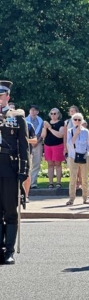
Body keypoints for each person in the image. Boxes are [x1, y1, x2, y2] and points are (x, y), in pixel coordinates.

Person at [0, 81, 30, 265]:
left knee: (10, 211)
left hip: (9, 168)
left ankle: (9, 250)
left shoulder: (17, 116)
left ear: (8, 97)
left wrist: (23, 170)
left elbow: (24, 145)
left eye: (2, 96)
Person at [66, 113, 89, 205]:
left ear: (82, 121)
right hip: (73, 156)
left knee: (85, 178)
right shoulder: (69, 131)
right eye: (75, 119)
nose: (77, 121)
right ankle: (71, 199)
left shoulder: (86, 131)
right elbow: (69, 143)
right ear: (73, 121)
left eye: (79, 120)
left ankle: (86, 198)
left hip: (84, 156)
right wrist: (76, 133)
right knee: (73, 178)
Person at [41, 108, 65, 188]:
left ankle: (58, 182)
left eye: (55, 113)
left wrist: (50, 128)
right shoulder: (47, 123)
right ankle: (50, 183)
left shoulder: (61, 123)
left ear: (58, 114)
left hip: (58, 145)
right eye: (52, 113)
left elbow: (60, 135)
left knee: (58, 164)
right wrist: (45, 128)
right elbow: (43, 136)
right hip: (48, 146)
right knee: (50, 164)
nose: (53, 115)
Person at [26, 105, 44, 188]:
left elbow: (42, 133)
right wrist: (31, 142)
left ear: (37, 112)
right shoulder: (25, 120)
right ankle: (26, 183)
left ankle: (33, 183)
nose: (33, 112)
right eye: (31, 110)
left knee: (36, 163)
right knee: (27, 163)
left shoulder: (41, 121)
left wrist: (37, 141)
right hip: (27, 143)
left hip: (38, 143)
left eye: (34, 110)